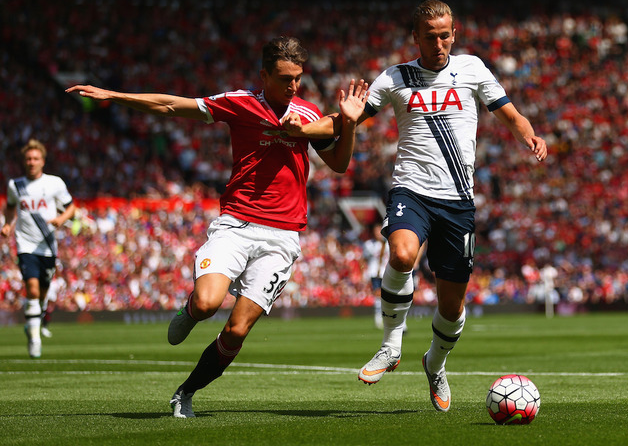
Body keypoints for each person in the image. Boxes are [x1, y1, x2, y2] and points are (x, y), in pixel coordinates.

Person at [66, 36, 369, 418]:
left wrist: (350, 124)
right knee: (208, 303)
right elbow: (172, 105)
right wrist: (115, 95)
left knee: (237, 331)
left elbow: (339, 164)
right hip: (237, 225)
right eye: (284, 78)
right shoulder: (241, 103)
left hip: (283, 237)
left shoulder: (308, 115)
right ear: (264, 75)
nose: (293, 85)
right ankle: (190, 311)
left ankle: (186, 392)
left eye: (298, 77)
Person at [287, 0, 547, 412]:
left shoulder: (473, 69)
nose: (439, 42)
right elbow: (341, 122)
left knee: (452, 304)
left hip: (458, 201)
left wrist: (531, 135)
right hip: (411, 190)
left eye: (445, 34)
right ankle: (391, 345)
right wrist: (301, 129)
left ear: (454, 33)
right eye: (430, 36)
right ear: (416, 38)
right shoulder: (395, 78)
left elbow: (510, 114)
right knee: (403, 252)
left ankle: (435, 363)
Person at [2, 139, 77, 358]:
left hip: (47, 246)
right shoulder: (15, 185)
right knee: (32, 290)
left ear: (43, 161)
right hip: (26, 244)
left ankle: (34, 321)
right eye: (28, 159)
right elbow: (9, 208)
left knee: (42, 293)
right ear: (24, 162)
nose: (32, 162)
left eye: (35, 158)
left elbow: (71, 208)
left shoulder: (55, 183)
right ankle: (34, 339)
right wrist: (7, 224)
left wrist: (60, 219)